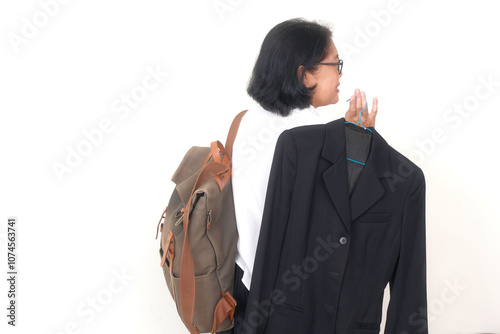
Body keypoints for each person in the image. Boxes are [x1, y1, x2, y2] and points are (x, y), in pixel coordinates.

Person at [221, 18, 379, 334]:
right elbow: (341, 223)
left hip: (238, 282)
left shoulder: (245, 121)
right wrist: (360, 145)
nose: (340, 74)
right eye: (336, 64)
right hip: (286, 299)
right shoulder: (309, 139)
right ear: (305, 74)